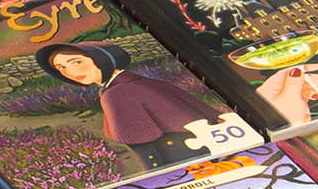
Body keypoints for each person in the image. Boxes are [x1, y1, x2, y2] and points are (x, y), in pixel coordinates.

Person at [32, 39, 219, 168]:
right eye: (61, 67)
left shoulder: (116, 93)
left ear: (101, 60)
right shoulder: (143, 82)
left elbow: (144, 149)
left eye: (76, 62)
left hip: (189, 163)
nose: (70, 72)